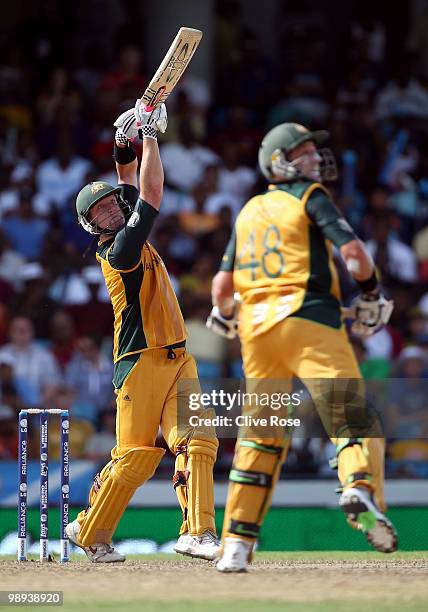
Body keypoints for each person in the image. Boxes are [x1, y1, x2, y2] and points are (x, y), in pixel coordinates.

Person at [208, 122, 398, 572]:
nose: (314, 158)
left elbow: (221, 286)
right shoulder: (311, 196)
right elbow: (354, 255)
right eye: (304, 152)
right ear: (280, 161)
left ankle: (236, 541)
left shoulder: (250, 208)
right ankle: (359, 484)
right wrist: (370, 294)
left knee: (262, 433)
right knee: (347, 410)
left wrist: (226, 313)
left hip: (256, 333)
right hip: (309, 317)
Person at [68, 101, 219, 563]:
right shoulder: (120, 250)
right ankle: (89, 532)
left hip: (178, 355)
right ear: (93, 226)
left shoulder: (124, 217)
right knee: (134, 456)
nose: (112, 210)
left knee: (199, 441)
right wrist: (151, 135)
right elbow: (151, 194)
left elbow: (131, 183)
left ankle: (197, 532)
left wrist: (123, 143)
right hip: (139, 360)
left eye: (112, 203)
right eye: (102, 211)